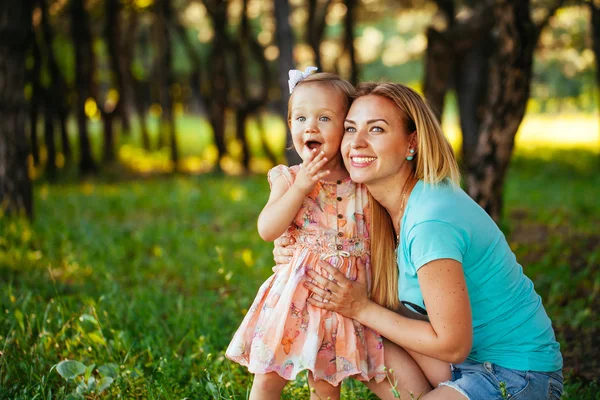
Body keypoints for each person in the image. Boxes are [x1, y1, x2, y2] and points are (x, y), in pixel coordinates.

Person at [274, 82, 563, 399]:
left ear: (411, 142)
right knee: (355, 329)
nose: (356, 142)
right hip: (457, 366)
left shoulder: (429, 219)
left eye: (377, 130)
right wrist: (293, 246)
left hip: (515, 374)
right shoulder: (378, 209)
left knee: (358, 315)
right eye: (350, 128)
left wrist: (360, 307)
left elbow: (453, 344)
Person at [225, 70, 386, 400]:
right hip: (294, 299)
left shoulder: (363, 182)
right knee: (268, 376)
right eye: (300, 118)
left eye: (324, 118)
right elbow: (268, 229)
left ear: (346, 127)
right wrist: (300, 188)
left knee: (327, 384)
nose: (310, 126)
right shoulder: (289, 178)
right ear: (290, 126)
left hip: (342, 301)